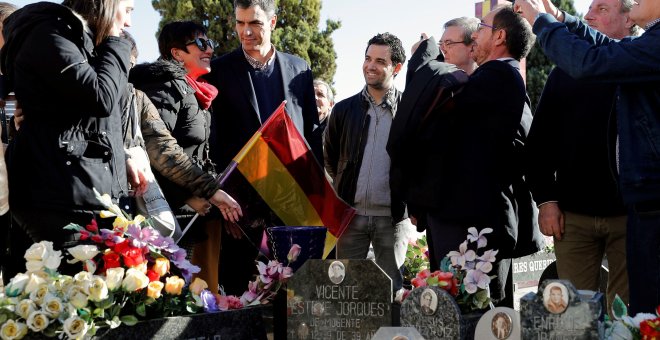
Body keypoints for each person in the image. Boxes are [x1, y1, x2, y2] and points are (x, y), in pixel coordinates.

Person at [515, 0, 660, 315]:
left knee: (633, 314)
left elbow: (593, 60)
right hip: (583, 213)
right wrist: (559, 18)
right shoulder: (631, 55)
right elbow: (602, 50)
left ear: (627, 20)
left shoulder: (642, 54)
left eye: (603, 9)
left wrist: (541, 21)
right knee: (577, 314)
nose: (590, 14)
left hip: (638, 210)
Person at [401, 5, 541, 306]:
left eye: (482, 28)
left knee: (475, 311)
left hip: (473, 222)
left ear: (500, 36)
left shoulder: (496, 79)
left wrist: (423, 59)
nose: (477, 35)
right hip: (461, 218)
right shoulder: (491, 80)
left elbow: (432, 131)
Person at [1, 0, 136, 254]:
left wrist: (122, 156)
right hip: (59, 200)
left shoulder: (79, 41)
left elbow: (85, 121)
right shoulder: (48, 33)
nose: (128, 23)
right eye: (127, 11)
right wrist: (117, 42)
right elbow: (101, 97)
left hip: (82, 196)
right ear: (106, 4)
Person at [206, 0, 321, 295]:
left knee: (293, 294)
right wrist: (224, 201)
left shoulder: (299, 70)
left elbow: (311, 136)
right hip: (239, 208)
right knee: (238, 292)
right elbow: (213, 142)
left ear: (272, 23)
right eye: (240, 23)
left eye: (254, 23)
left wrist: (316, 196)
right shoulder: (218, 70)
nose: (246, 32)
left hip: (291, 204)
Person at [128, 21, 242, 292]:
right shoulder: (163, 86)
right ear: (177, 53)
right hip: (173, 220)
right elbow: (155, 152)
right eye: (201, 43)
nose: (210, 49)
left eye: (210, 43)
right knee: (176, 301)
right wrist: (189, 197)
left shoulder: (197, 91)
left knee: (205, 300)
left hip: (203, 214)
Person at [324, 32, 406, 294]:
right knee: (347, 292)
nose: (370, 66)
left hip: (392, 220)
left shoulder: (408, 109)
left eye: (380, 61)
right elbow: (331, 157)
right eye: (368, 58)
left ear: (397, 67)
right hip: (351, 217)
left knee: (391, 293)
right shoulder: (343, 110)